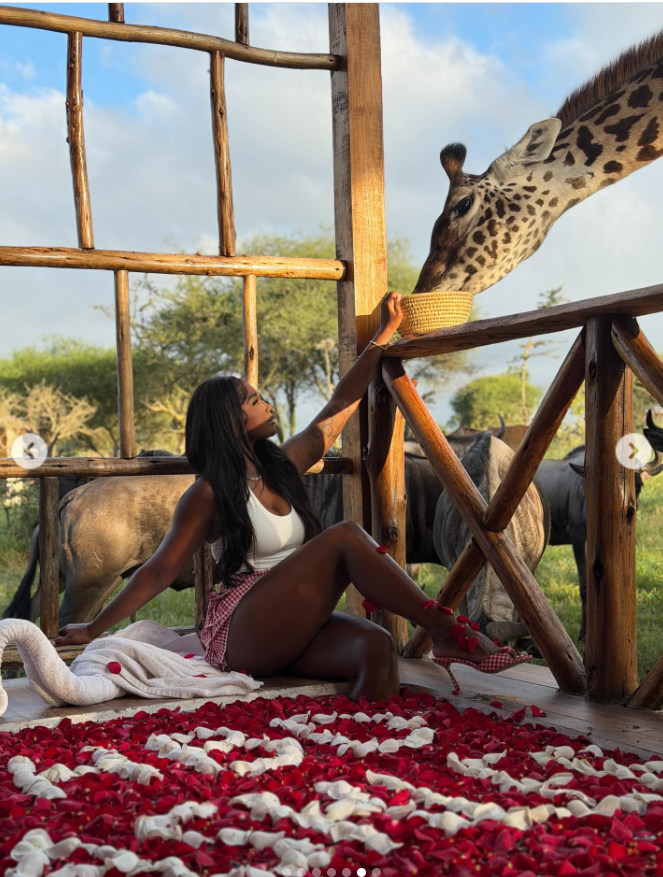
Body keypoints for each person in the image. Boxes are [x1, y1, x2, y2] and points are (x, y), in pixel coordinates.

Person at [53, 291, 528, 699]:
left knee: (377, 649)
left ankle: (359, 753)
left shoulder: (282, 465)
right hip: (244, 629)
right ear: (232, 421)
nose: (267, 404)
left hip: (296, 614)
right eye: (255, 401)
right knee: (344, 537)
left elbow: (341, 403)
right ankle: (451, 634)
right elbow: (158, 569)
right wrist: (95, 628)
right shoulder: (208, 495)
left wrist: (385, 336)